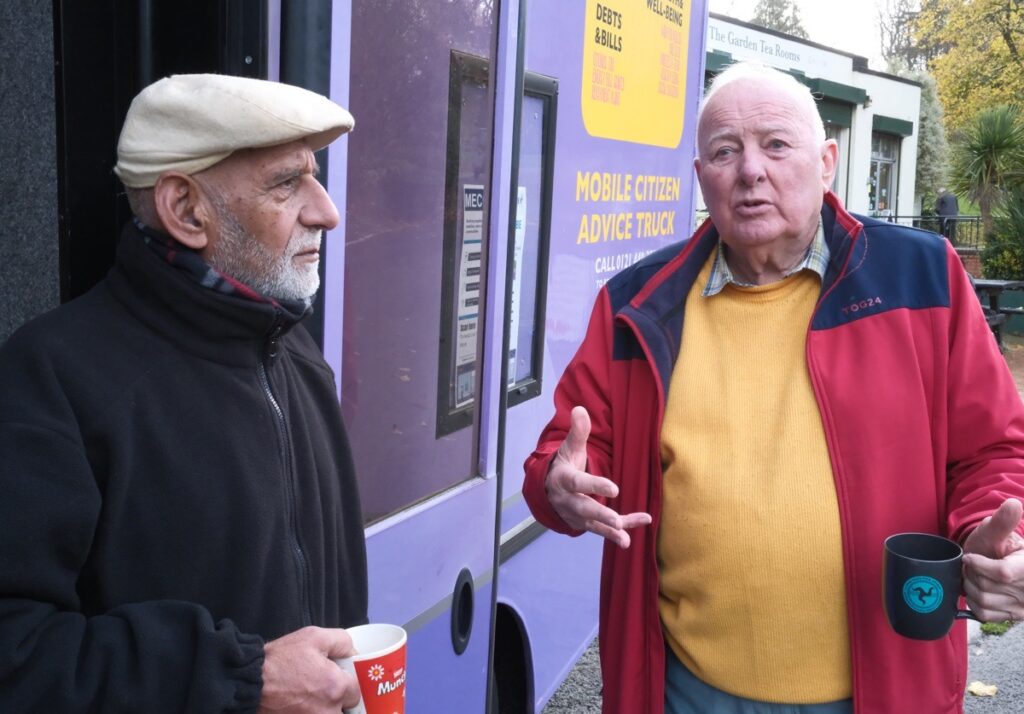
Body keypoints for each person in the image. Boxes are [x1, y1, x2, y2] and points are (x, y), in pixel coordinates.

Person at [523, 62, 1024, 714]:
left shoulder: (921, 277)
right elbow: (564, 459)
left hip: (884, 692)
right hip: (687, 692)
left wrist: (996, 533)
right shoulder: (637, 304)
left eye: (776, 144)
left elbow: (994, 451)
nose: (750, 170)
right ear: (702, 179)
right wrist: (561, 487)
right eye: (724, 151)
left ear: (827, 163)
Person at [0, 74, 369, 712]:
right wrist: (240, 680)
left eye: (315, 175)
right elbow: (17, 651)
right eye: (287, 182)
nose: (326, 210)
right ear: (185, 209)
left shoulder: (300, 357)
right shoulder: (51, 378)